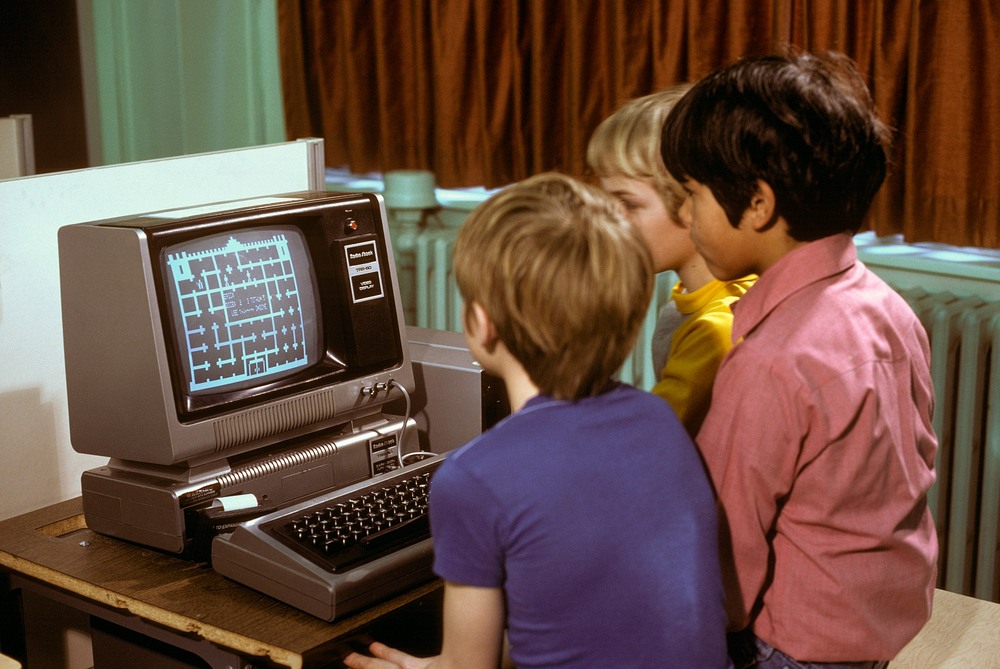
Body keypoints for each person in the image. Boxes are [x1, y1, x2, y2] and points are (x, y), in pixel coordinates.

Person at [344, 172, 729, 669]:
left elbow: (469, 667)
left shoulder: (472, 479)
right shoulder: (658, 420)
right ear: (633, 319)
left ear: (482, 323)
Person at [660, 51, 938, 668]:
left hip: (793, 644)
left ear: (756, 204)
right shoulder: (889, 309)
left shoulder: (768, 361)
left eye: (692, 194)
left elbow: (726, 563)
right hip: (874, 623)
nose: (684, 215)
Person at [587, 87, 755, 437]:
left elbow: (644, 438)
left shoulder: (717, 328)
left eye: (629, 204)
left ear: (691, 203)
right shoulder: (690, 298)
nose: (609, 220)